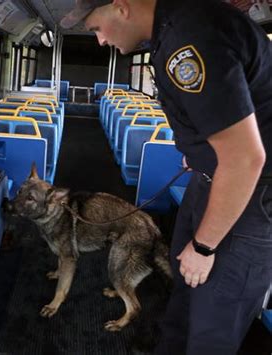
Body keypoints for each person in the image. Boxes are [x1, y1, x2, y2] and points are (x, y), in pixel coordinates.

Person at [60, 0, 272, 354]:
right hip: (213, 178)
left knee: (214, 322)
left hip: (251, 196)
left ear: (121, 7)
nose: (99, 41)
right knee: (184, 296)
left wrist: (205, 246)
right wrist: (200, 152)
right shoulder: (173, 30)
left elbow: (245, 158)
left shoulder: (189, 38)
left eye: (96, 27)